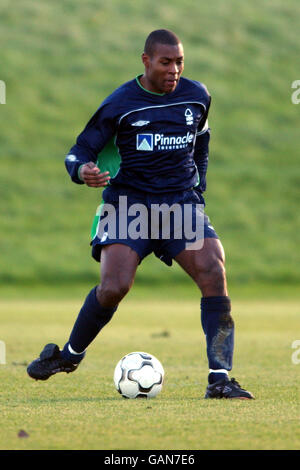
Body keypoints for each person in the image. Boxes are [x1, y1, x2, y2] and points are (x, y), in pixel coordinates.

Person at [27, 29, 254, 399]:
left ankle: (220, 378)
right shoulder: (121, 103)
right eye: (166, 62)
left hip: (179, 204)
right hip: (129, 205)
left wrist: (199, 190)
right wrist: (82, 171)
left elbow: (203, 141)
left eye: (179, 61)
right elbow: (80, 149)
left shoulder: (197, 97)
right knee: (114, 286)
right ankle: (69, 355)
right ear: (146, 61)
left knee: (214, 270)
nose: (174, 70)